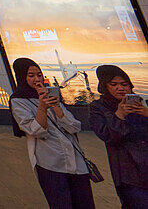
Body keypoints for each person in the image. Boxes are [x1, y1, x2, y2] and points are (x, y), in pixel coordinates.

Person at [10, 57, 94, 208]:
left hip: (76, 162)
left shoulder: (52, 96)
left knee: (85, 203)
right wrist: (42, 107)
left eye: (39, 75)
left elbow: (74, 126)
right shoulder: (19, 101)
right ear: (22, 77)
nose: (37, 79)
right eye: (31, 75)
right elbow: (36, 131)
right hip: (50, 163)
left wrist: (57, 106)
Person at [89, 64, 148, 207]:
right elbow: (107, 136)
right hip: (128, 171)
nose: (120, 88)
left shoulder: (140, 103)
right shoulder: (98, 108)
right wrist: (119, 115)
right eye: (113, 84)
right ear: (105, 86)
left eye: (124, 84)